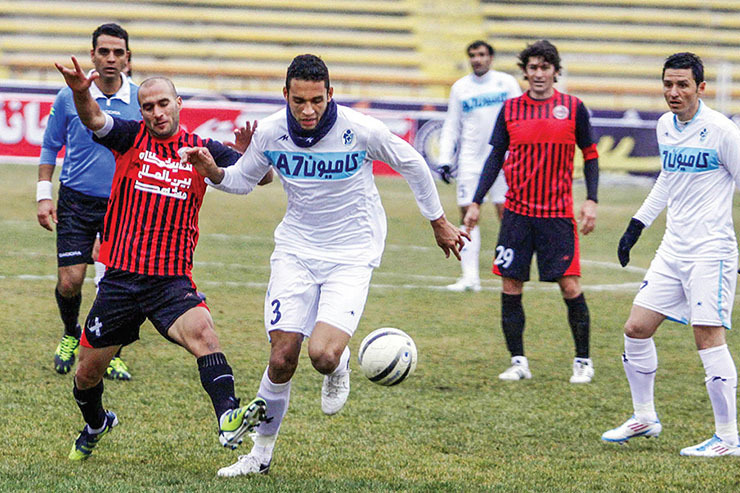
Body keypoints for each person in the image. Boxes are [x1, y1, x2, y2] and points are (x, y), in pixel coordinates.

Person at [184, 54, 468, 476]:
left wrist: (438, 221)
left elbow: (411, 163)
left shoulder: (361, 129)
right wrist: (213, 172)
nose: (309, 110)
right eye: (299, 100)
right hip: (296, 250)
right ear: (285, 95)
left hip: (352, 253)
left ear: (330, 94)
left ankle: (339, 365)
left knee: (321, 354)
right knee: (282, 357)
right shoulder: (269, 132)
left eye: (317, 99)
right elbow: (244, 181)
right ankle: (259, 457)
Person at [54, 57, 270, 461]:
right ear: (141, 111)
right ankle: (97, 422)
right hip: (119, 280)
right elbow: (95, 119)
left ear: (178, 104)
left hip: (170, 280)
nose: (156, 112)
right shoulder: (130, 138)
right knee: (86, 374)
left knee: (205, 335)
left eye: (163, 104)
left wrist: (246, 156)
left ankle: (228, 418)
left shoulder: (204, 149)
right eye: (148, 106)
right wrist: (82, 91)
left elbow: (261, 179)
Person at [602, 52, 740, 457]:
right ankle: (644, 416)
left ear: (701, 87)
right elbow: (668, 178)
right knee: (636, 328)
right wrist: (636, 225)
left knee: (707, 338)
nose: (673, 92)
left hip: (710, 250)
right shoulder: (665, 125)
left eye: (682, 85)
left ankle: (729, 437)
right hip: (672, 248)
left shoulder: (721, 130)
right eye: (668, 84)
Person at [464, 40, 599, 384]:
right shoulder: (510, 110)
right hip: (517, 215)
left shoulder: (573, 107)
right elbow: (495, 158)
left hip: (557, 216)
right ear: (524, 72)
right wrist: (477, 201)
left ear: (556, 71)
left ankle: (583, 361)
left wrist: (591, 199)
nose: (539, 74)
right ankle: (518, 361)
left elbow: (591, 154)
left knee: (570, 286)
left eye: (545, 67)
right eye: (533, 68)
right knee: (511, 286)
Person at [37, 23, 139, 380]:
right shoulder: (70, 95)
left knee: (117, 285)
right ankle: (71, 333)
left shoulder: (141, 100)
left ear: (128, 59)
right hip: (76, 201)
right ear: (92, 54)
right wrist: (43, 196)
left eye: (118, 53)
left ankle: (110, 353)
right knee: (70, 281)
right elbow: (51, 145)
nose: (111, 58)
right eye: (104, 52)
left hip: (125, 205)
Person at [438, 40, 522, 292]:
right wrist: (445, 158)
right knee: (468, 217)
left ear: (491, 58)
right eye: (473, 55)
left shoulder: (506, 83)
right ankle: (470, 278)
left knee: (507, 216)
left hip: (504, 161)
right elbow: (452, 124)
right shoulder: (460, 88)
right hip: (471, 163)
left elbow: (521, 117)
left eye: (482, 55)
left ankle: (513, 274)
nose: (477, 59)